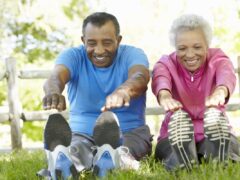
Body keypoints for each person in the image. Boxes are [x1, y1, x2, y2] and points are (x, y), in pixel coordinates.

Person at [38, 12, 152, 179]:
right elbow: (56, 77)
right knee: (77, 150)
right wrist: (53, 91)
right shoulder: (73, 56)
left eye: (107, 43)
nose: (99, 50)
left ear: (118, 40)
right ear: (83, 40)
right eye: (91, 43)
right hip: (82, 133)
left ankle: (115, 159)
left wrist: (124, 90)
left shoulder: (133, 54)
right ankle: (63, 163)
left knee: (123, 151)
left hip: (129, 132)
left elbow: (140, 78)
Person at [152, 14, 240, 171]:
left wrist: (220, 91)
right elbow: (160, 78)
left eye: (197, 47)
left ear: (207, 45)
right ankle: (184, 158)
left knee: (226, 145)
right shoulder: (166, 63)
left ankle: (216, 155)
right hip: (173, 132)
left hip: (213, 129)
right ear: (175, 47)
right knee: (170, 150)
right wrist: (164, 95)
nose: (190, 54)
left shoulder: (218, 59)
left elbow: (226, 74)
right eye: (182, 48)